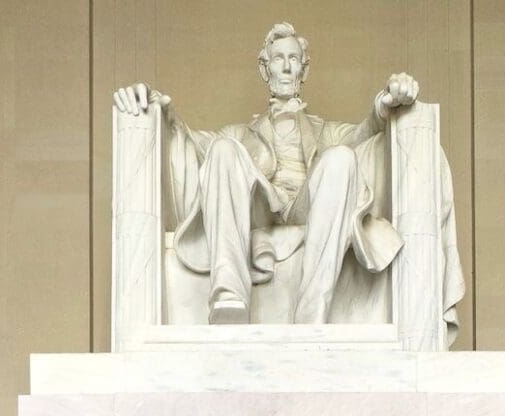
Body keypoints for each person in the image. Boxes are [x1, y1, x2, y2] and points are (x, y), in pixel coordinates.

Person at [114, 22, 460, 326]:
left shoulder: (325, 131)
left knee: (341, 158)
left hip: (306, 205)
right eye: (278, 59)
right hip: (260, 205)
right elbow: (189, 141)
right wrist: (161, 110)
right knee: (220, 150)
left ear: (303, 71)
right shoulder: (238, 134)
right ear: (265, 70)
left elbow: (362, 135)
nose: (285, 67)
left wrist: (384, 104)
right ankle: (229, 293)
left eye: (293, 59)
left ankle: (312, 310)